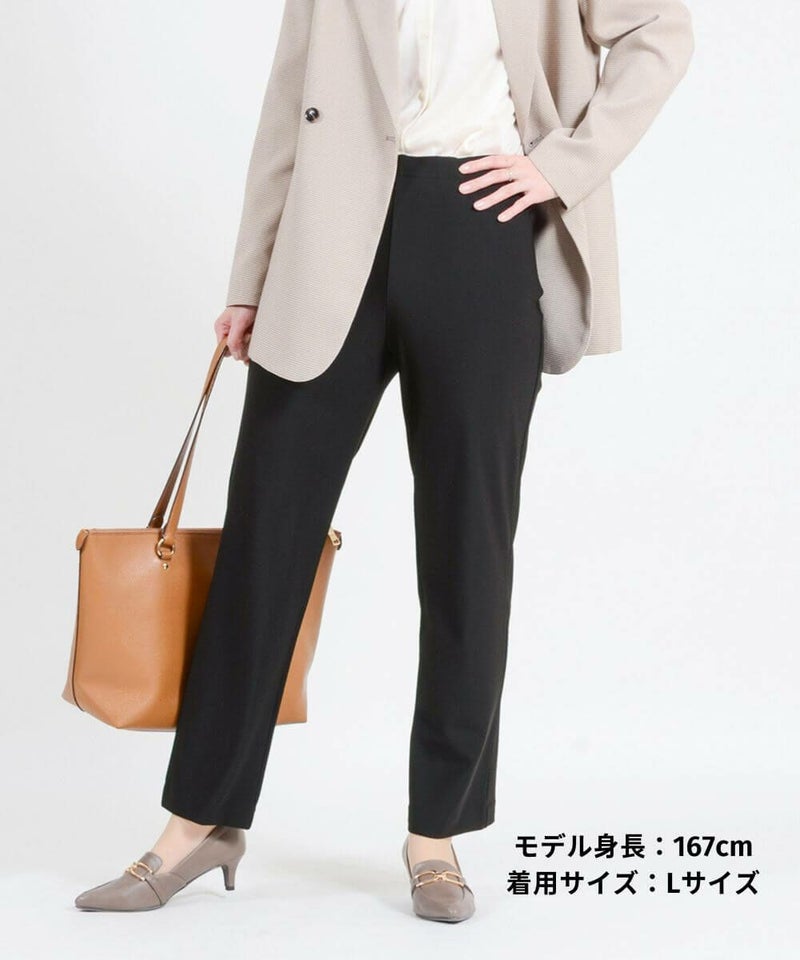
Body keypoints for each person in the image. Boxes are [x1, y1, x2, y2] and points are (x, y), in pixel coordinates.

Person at [73, 0, 694, 921]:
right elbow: (289, 102)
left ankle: (436, 834)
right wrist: (250, 278)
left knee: (467, 549)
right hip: (330, 241)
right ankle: (199, 820)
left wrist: (561, 164)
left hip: (483, 225)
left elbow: (660, 33)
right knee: (265, 535)